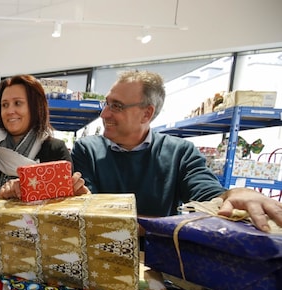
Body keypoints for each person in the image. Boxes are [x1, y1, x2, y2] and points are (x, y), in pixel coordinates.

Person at [72, 69, 282, 232]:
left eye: (116, 106)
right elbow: (92, 215)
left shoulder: (180, 153)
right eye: (106, 104)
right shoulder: (87, 149)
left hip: (159, 259)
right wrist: (166, 224)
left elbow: (209, 195)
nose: (104, 114)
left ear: (146, 114)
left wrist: (238, 193)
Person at [0, 74, 89, 206]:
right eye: (5, 105)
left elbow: (62, 206)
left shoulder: (55, 149)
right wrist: (0, 194)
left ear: (35, 107)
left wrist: (77, 194)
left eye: (18, 103)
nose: (10, 111)